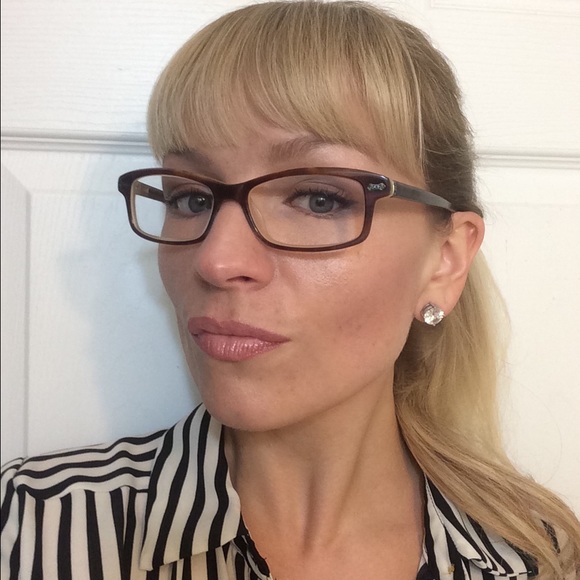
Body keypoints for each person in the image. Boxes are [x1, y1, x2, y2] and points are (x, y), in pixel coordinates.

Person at [1, 1, 579, 578]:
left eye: (319, 198)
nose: (217, 260)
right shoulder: (29, 528)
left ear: (445, 261)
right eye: (190, 198)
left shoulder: (537, 559)